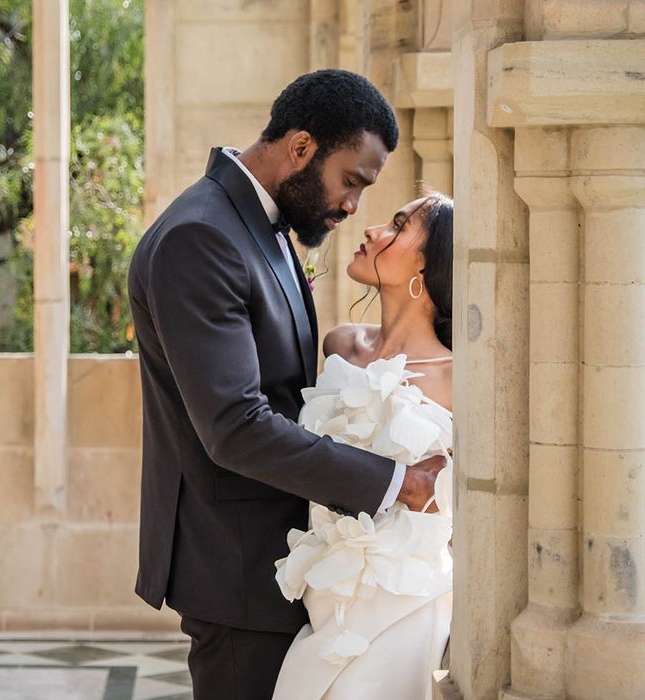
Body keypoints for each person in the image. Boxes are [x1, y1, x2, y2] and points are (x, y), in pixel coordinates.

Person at [126, 69, 446, 700]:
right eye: (351, 180)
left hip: (288, 568)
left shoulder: (255, 225)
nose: (354, 205)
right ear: (302, 148)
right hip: (239, 570)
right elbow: (235, 427)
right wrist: (396, 482)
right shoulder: (202, 236)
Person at [273, 192, 454, 700]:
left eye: (398, 226)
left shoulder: (459, 376)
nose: (372, 230)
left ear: (426, 265)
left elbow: (464, 506)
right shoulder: (338, 344)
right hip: (324, 591)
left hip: (407, 601)